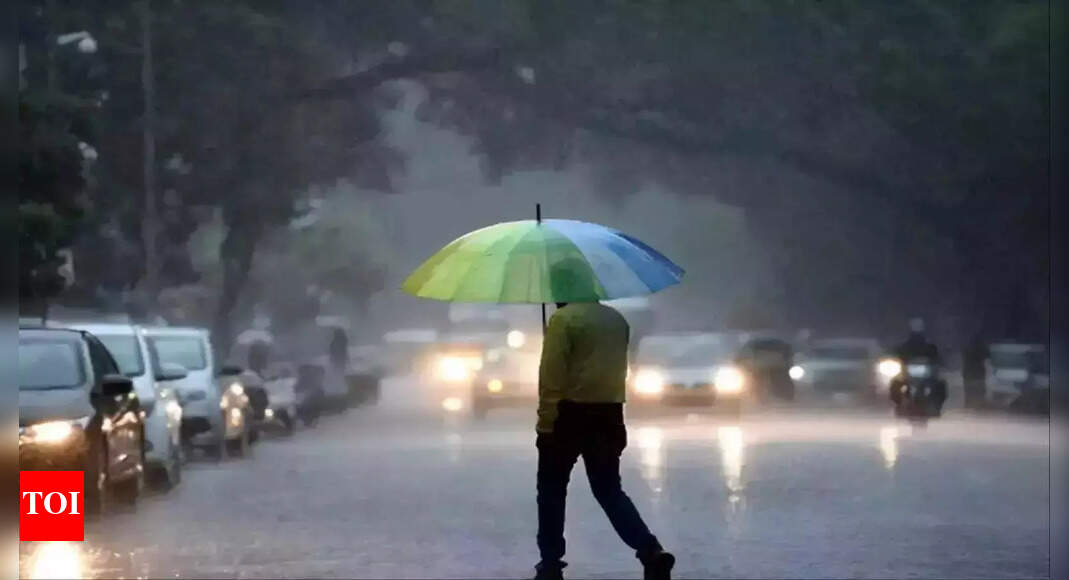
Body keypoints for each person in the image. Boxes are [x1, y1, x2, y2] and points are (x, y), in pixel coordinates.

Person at [535, 299, 675, 580]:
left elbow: (551, 377)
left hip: (568, 415)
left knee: (551, 490)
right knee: (609, 490)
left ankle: (551, 563)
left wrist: (546, 421)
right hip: (609, 414)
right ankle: (650, 550)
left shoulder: (563, 321)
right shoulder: (615, 319)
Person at [890, 318, 947, 410]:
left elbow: (937, 357)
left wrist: (940, 363)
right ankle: (899, 402)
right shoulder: (905, 346)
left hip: (927, 374)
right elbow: (898, 354)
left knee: (940, 384)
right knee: (896, 383)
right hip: (908, 374)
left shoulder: (929, 347)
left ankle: (936, 404)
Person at [962, 333, 989, 409]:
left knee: (969, 390)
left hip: (969, 374)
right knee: (978, 390)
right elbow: (987, 355)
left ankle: (969, 404)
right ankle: (978, 404)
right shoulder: (981, 348)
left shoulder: (966, 348)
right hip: (977, 374)